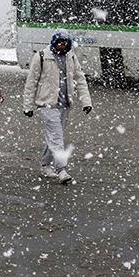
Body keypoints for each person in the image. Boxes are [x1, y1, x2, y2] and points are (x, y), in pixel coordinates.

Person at [22, 29, 92, 184]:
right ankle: (62, 170)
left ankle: (46, 165)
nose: (62, 45)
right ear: (54, 42)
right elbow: (31, 82)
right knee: (57, 137)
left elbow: (80, 79)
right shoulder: (41, 57)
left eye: (65, 43)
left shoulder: (71, 57)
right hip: (46, 104)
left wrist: (86, 101)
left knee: (53, 137)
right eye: (59, 42)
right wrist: (28, 105)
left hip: (65, 105)